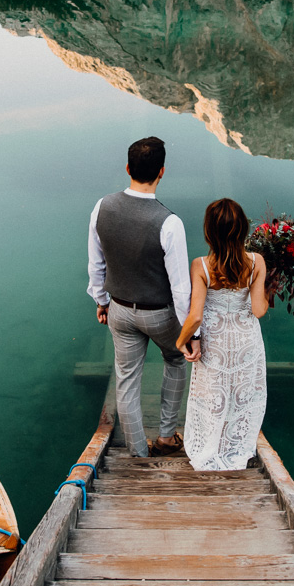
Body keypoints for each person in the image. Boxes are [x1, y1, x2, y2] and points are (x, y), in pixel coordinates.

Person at [88, 137, 198, 457]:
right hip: (160, 314)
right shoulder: (169, 222)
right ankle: (166, 436)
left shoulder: (102, 207)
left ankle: (138, 451)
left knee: (126, 380)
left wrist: (101, 301)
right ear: (161, 172)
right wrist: (191, 330)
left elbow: (96, 263)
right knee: (175, 358)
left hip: (119, 310)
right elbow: (180, 288)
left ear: (127, 168)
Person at [176, 198, 269, 471]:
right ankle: (235, 446)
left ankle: (210, 445)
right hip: (245, 341)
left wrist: (181, 342)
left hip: (215, 341)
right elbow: (259, 310)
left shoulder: (201, 266)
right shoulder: (256, 262)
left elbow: (195, 316)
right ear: (243, 229)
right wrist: (267, 288)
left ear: (209, 232)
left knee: (212, 394)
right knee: (242, 393)